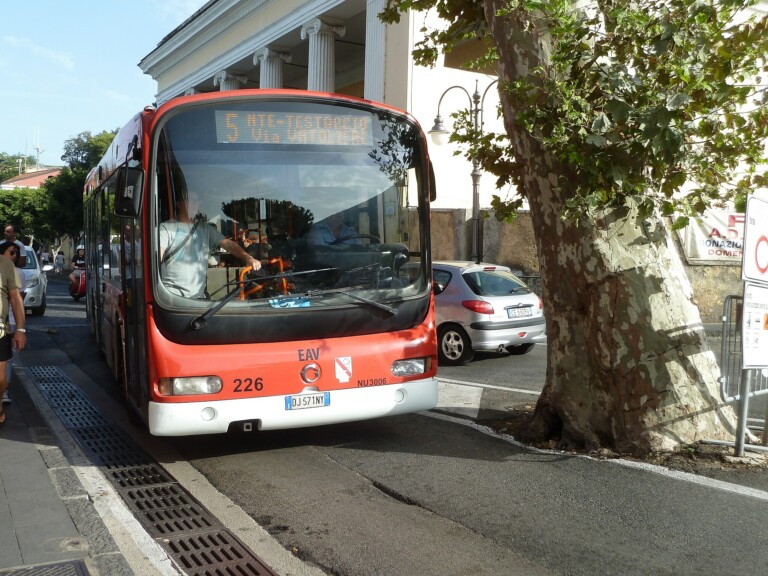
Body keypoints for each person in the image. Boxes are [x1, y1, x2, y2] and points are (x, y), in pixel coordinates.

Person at [159, 191, 261, 299]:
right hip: (172, 299)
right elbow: (156, 258)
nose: (195, 204)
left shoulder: (205, 229)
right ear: (179, 204)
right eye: (191, 200)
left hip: (198, 299)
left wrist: (248, 258)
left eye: (197, 201)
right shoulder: (166, 229)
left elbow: (229, 244)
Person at [0, 242, 26, 425]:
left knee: (1, 379)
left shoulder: (5, 265)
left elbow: (16, 298)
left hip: (0, 329)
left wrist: (20, 330)